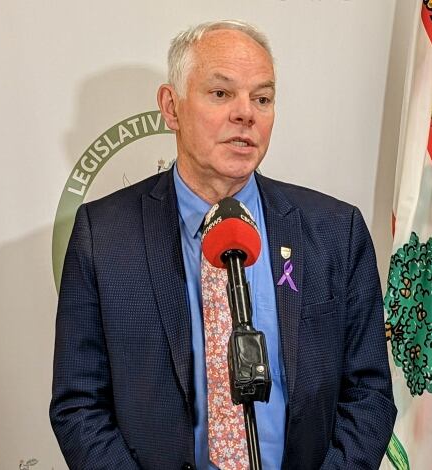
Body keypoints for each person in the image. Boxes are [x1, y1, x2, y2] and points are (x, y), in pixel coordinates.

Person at [50, 20, 396, 470]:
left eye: (262, 98)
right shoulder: (104, 235)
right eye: (220, 93)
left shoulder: (335, 229)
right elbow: (79, 405)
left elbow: (369, 392)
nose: (245, 114)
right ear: (171, 108)